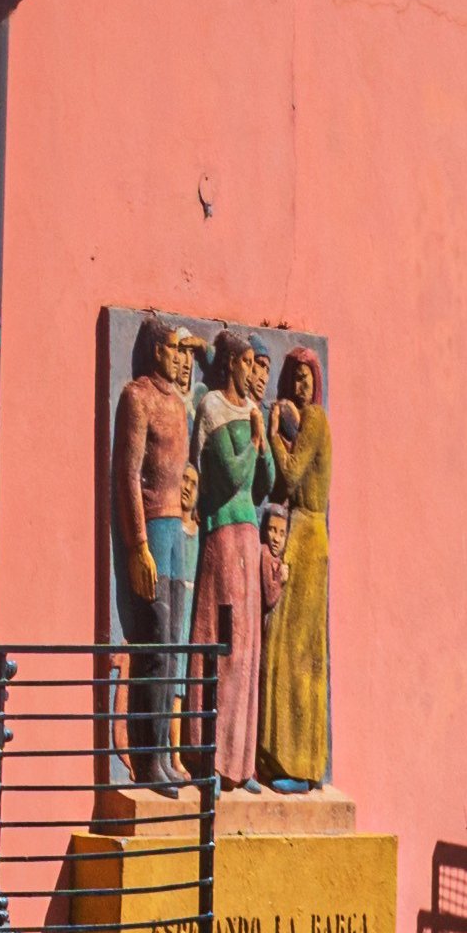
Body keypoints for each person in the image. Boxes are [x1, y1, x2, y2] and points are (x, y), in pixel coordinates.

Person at [108, 320, 199, 792]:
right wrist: (137, 545)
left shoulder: (178, 403)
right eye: (172, 349)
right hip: (152, 531)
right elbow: (127, 475)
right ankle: (145, 757)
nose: (179, 357)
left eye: (182, 351)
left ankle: (164, 751)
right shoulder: (136, 397)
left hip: (177, 533)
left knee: (175, 648)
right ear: (153, 351)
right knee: (154, 646)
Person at [193, 333, 280, 793]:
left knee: (247, 654)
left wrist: (262, 443)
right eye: (248, 363)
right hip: (223, 533)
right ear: (230, 364)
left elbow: (264, 483)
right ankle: (210, 757)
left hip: (248, 534)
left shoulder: (251, 413)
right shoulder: (213, 408)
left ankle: (241, 763)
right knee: (224, 647)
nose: (254, 373)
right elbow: (230, 476)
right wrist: (255, 437)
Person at [256, 350, 332, 795]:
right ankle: (278, 752)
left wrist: (275, 434)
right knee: (281, 646)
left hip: (307, 533)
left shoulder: (317, 419)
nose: (299, 387)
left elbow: (289, 474)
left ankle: (303, 763)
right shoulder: (305, 421)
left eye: (305, 379)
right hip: (300, 531)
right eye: (294, 380)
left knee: (300, 652)